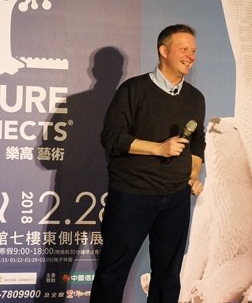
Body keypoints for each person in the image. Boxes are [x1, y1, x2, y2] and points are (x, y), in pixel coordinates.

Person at [89, 24, 206, 303]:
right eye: (184, 49)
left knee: (168, 274)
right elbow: (112, 138)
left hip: (175, 198)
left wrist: (193, 172)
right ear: (163, 51)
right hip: (132, 195)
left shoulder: (194, 98)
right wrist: (158, 148)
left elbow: (197, 142)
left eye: (194, 51)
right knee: (113, 272)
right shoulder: (133, 90)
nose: (190, 56)